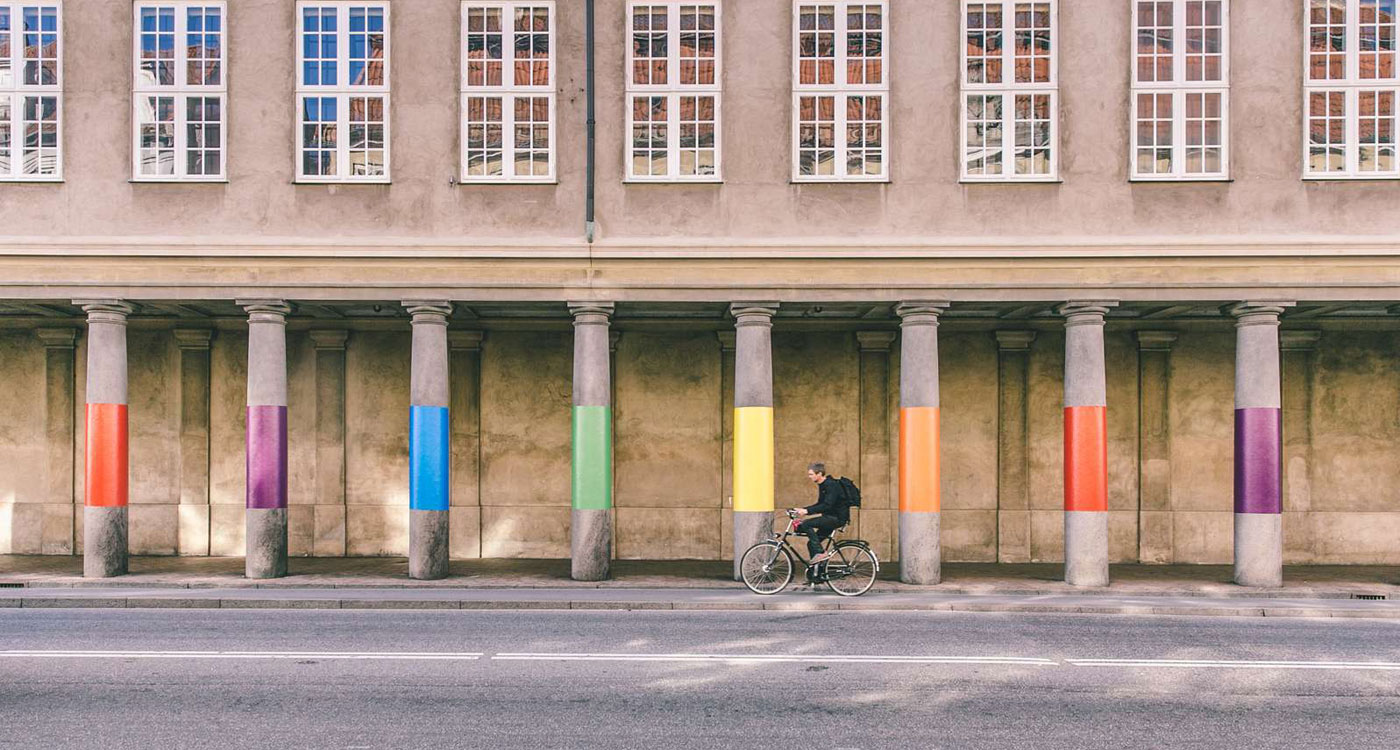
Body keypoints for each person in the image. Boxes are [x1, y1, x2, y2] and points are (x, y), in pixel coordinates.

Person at [789, 462, 849, 569]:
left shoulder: (831, 485)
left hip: (836, 519)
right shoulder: (823, 485)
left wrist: (807, 511)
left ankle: (821, 553)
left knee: (807, 524)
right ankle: (816, 574)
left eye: (811, 474)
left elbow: (827, 505)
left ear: (819, 474)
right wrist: (803, 509)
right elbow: (820, 505)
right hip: (829, 518)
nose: (809, 477)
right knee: (811, 544)